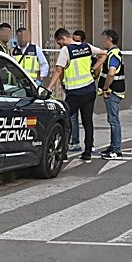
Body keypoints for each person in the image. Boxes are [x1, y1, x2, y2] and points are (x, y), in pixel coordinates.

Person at [47, 27, 104, 162]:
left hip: (75, 92)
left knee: (64, 120)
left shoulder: (66, 51)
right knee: (87, 121)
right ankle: (87, 152)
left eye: (59, 43)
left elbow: (58, 70)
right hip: (89, 90)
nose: (59, 46)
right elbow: (103, 54)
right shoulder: (86, 46)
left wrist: (49, 88)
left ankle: (63, 152)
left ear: (62, 39)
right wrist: (93, 69)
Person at [97, 29, 125, 159]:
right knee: (112, 120)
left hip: (112, 92)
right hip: (113, 92)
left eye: (104, 39)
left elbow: (111, 73)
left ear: (109, 40)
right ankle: (113, 146)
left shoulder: (113, 55)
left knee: (114, 121)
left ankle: (116, 150)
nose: (102, 42)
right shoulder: (112, 53)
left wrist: (105, 88)